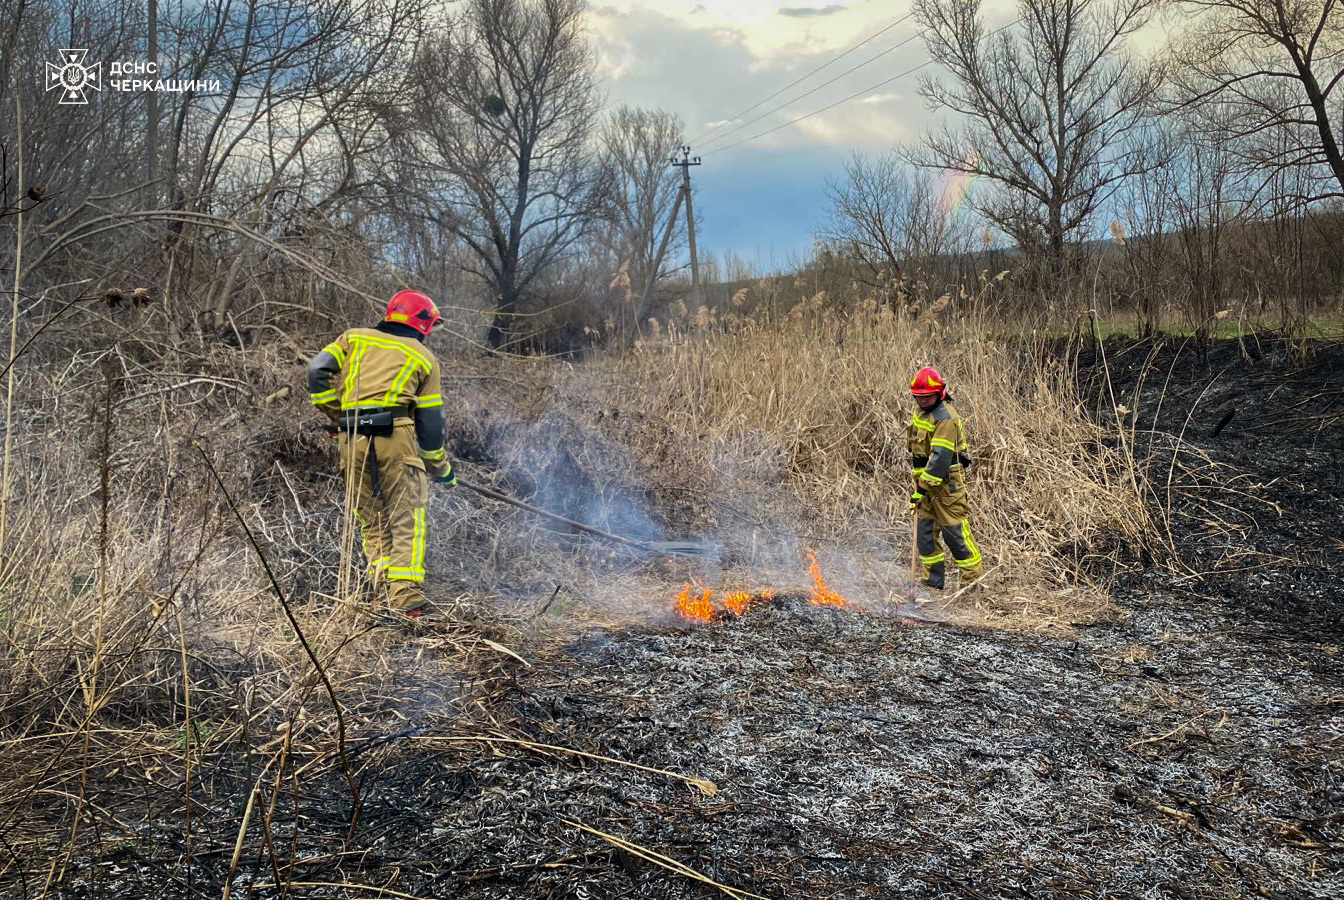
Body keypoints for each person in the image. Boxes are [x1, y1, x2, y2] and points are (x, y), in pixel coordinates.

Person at [306, 290, 455, 618]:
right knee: (407, 518)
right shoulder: (423, 357)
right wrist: (440, 468)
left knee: (371, 518)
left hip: (352, 438)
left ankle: (381, 595)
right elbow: (430, 422)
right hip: (396, 436)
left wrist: (339, 418)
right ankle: (407, 603)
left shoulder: (353, 338)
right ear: (424, 324)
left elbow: (317, 370)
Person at [907, 366, 982, 589]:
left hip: (947, 487)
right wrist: (920, 487)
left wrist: (921, 489)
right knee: (925, 536)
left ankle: (973, 584)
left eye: (927, 397)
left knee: (955, 535)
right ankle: (932, 585)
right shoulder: (921, 413)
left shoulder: (946, 418)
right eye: (918, 397)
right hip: (925, 487)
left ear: (939, 393)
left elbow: (940, 459)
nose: (922, 401)